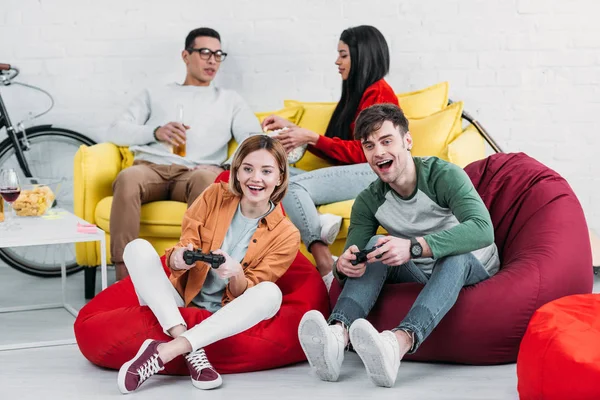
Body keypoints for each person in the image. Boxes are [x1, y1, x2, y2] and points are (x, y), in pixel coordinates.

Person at [297, 104, 501, 388]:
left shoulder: (443, 175)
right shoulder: (369, 200)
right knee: (374, 245)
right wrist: (343, 266)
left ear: (407, 141)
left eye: (386, 141)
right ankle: (337, 336)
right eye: (369, 145)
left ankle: (398, 342)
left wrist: (414, 247)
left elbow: (483, 230)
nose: (378, 152)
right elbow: (354, 257)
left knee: (456, 257)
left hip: (472, 268)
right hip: (421, 275)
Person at [116, 135, 299, 394]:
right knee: (136, 248)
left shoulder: (287, 234)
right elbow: (185, 244)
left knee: (271, 293)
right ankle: (192, 350)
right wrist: (178, 258)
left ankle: (168, 349)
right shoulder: (215, 194)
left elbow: (249, 290)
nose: (255, 179)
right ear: (236, 172)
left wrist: (236, 273)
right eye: (247, 169)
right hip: (179, 303)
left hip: (225, 314)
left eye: (266, 171)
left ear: (279, 177)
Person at [107, 27, 260, 280]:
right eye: (205, 52)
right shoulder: (155, 93)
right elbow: (115, 130)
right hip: (152, 168)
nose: (212, 60)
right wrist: (155, 132)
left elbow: (252, 139)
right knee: (128, 177)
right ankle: (124, 276)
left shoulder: (230, 100)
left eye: (218, 54)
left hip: (196, 171)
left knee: (206, 182)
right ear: (185, 56)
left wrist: (224, 166)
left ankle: (191, 275)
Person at [261, 25, 399, 286]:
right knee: (278, 177)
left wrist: (311, 137)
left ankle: (324, 262)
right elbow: (338, 149)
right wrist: (295, 133)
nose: (337, 61)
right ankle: (321, 222)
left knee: (290, 185)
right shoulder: (355, 94)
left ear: (362, 56)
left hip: (374, 171)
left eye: (343, 54)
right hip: (357, 170)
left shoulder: (379, 93)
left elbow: (366, 152)